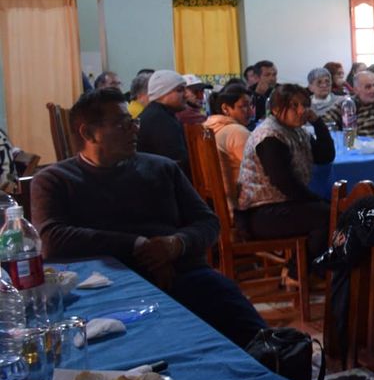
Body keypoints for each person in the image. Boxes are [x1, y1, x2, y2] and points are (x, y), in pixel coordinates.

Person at [31, 89, 266, 347]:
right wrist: (139, 245)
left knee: (253, 332)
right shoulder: (55, 180)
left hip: (183, 274)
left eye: (134, 122)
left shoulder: (162, 168)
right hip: (106, 287)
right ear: (88, 133)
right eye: (123, 124)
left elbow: (208, 223)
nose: (134, 131)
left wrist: (174, 244)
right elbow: (51, 239)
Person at [237, 83, 335, 267]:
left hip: (282, 204)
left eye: (305, 105)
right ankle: (296, 272)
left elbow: (325, 156)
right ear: (275, 109)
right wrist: (317, 201)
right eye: (293, 106)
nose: (301, 111)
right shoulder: (269, 136)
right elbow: (285, 183)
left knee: (329, 212)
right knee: (326, 215)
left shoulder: (296, 130)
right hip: (260, 213)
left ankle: (302, 270)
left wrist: (317, 122)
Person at [202, 85, 253, 217]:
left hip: (215, 205)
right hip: (242, 207)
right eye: (244, 106)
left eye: (250, 105)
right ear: (225, 108)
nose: (251, 112)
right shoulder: (236, 131)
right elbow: (260, 170)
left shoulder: (207, 126)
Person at [136, 69, 190, 174]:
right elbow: (176, 162)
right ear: (162, 94)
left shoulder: (159, 114)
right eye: (180, 90)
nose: (186, 95)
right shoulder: (159, 120)